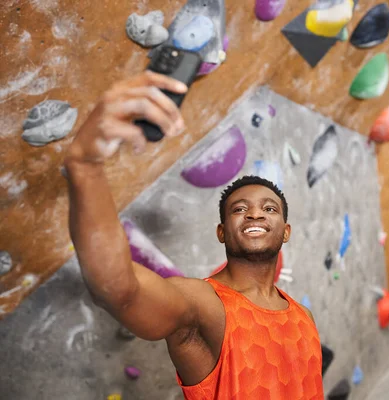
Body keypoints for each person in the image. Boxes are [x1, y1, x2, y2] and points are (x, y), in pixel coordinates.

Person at [64, 71, 324, 399]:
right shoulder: (203, 305)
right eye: (239, 209)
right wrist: (85, 167)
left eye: (269, 209)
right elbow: (120, 291)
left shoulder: (304, 317)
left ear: (285, 232)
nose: (255, 213)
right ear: (221, 231)